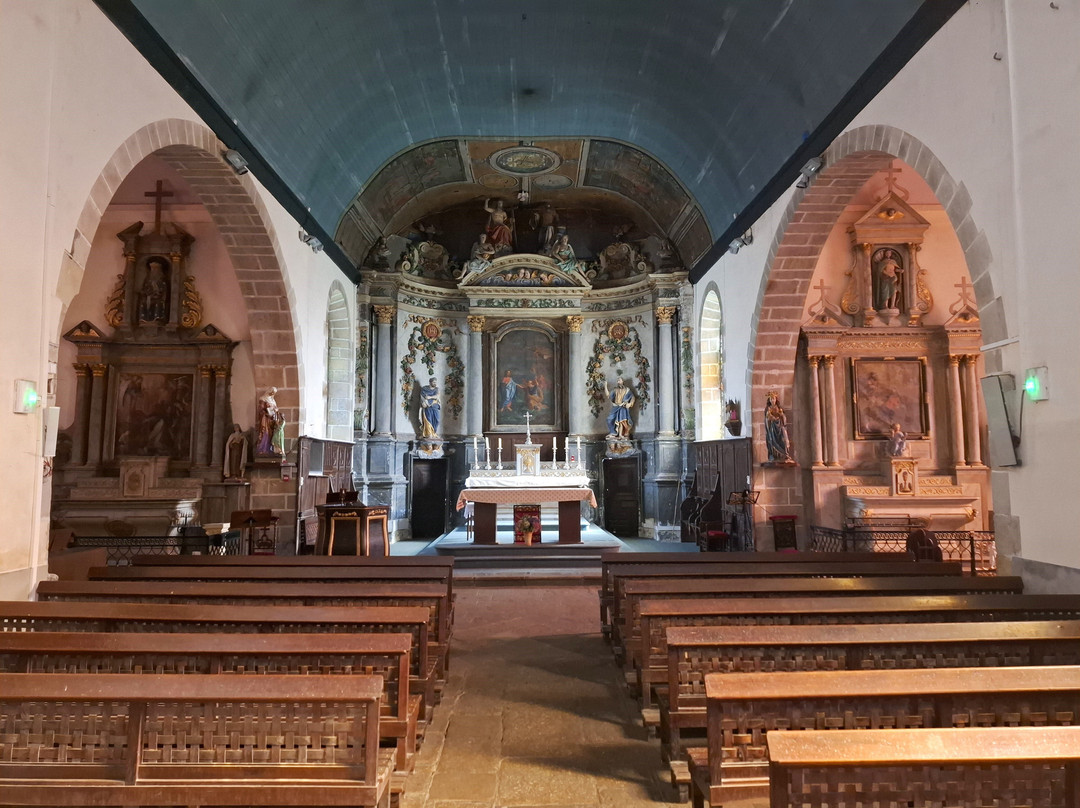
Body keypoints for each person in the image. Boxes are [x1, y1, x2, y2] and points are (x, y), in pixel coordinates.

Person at [764, 391, 793, 463]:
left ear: (776, 399)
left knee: (784, 439)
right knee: (773, 440)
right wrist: (771, 417)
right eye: (771, 399)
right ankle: (774, 455)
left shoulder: (779, 407)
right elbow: (767, 418)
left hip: (780, 426)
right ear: (769, 400)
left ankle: (785, 454)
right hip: (773, 427)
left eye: (773, 399)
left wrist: (782, 415)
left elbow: (783, 417)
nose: (772, 400)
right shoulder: (768, 408)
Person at [256, 386, 285, 456]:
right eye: (272, 393)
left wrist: (276, 411)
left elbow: (276, 410)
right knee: (265, 433)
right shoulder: (263, 399)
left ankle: (271, 449)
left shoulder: (273, 401)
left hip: (272, 420)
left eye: (274, 393)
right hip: (265, 419)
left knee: (271, 434)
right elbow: (260, 410)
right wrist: (266, 412)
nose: (272, 394)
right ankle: (263, 450)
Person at [138, 257, 168, 323]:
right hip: (148, 297)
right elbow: (144, 288)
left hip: (158, 298)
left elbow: (163, 291)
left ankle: (158, 318)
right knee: (143, 302)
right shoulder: (147, 280)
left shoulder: (162, 280)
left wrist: (156, 294)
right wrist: (145, 293)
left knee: (158, 303)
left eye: (155, 269)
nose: (154, 271)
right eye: (152, 269)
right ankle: (144, 319)